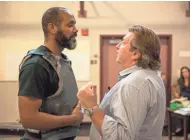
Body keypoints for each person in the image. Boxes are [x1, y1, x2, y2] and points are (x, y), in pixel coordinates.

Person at [77, 25, 166, 140]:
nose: (117, 46)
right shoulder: (151, 76)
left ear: (136, 54)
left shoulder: (134, 83)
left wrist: (91, 107)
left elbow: (121, 137)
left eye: (123, 43)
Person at [18, 7, 84, 140]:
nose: (76, 30)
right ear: (52, 28)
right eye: (70, 25)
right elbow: (28, 119)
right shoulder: (36, 65)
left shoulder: (63, 61)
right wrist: (73, 119)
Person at [171, 66, 190, 135]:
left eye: (186, 71)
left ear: (189, 72)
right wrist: (176, 93)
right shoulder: (180, 80)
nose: (184, 73)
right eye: (183, 72)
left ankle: (187, 130)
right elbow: (173, 86)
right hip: (182, 99)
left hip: (189, 99)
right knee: (173, 106)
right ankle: (180, 128)